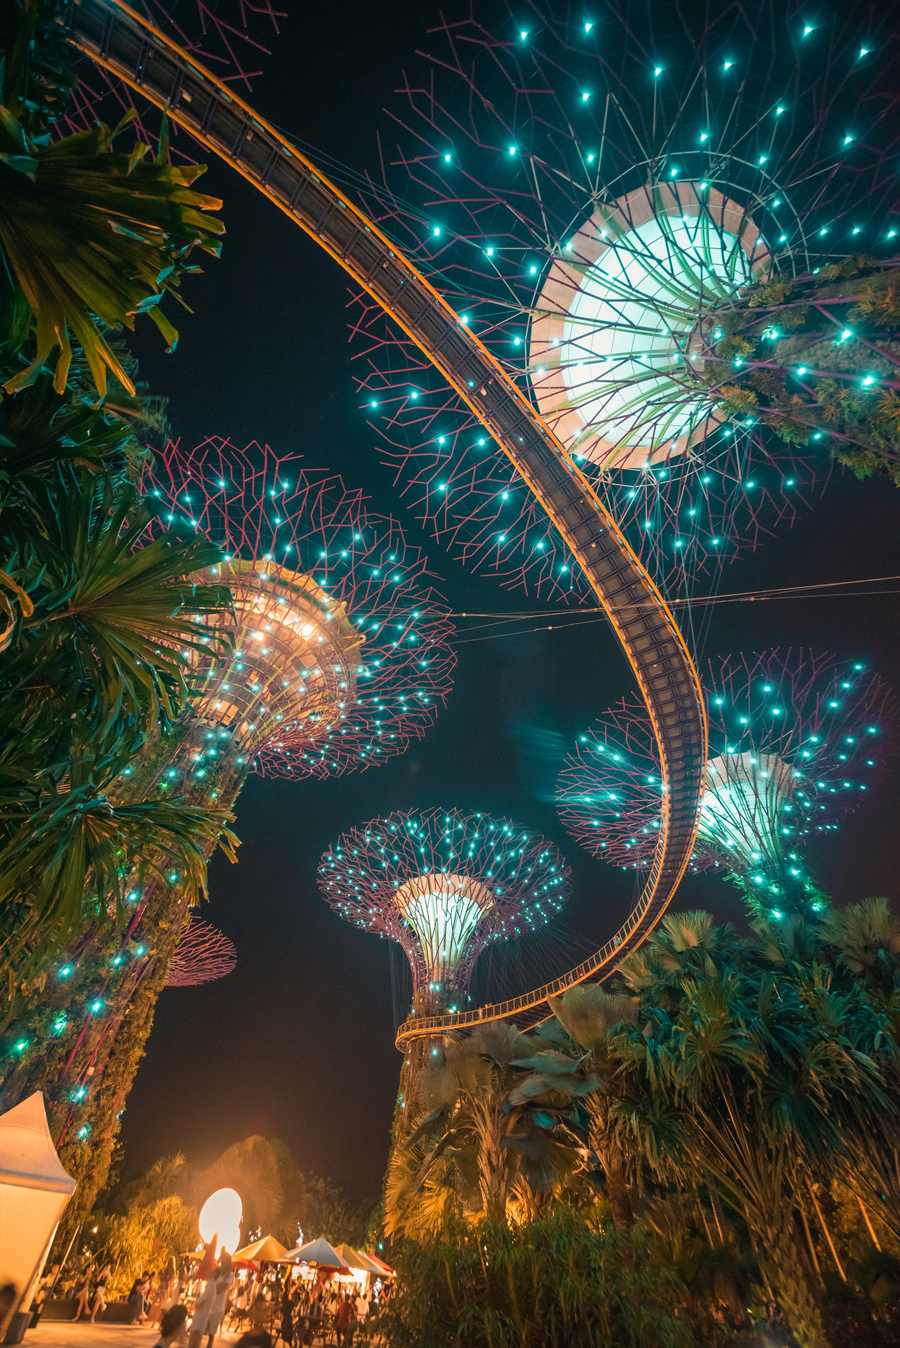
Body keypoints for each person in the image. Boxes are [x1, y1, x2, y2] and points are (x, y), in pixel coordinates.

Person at [205, 1258, 234, 1348]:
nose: (223, 1265)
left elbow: (225, 1286)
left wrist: (214, 1287)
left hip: (217, 1308)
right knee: (202, 1331)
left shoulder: (230, 1275)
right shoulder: (218, 1274)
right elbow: (208, 1285)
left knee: (211, 1334)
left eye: (225, 1263)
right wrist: (216, 1287)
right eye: (222, 1263)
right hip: (209, 1306)